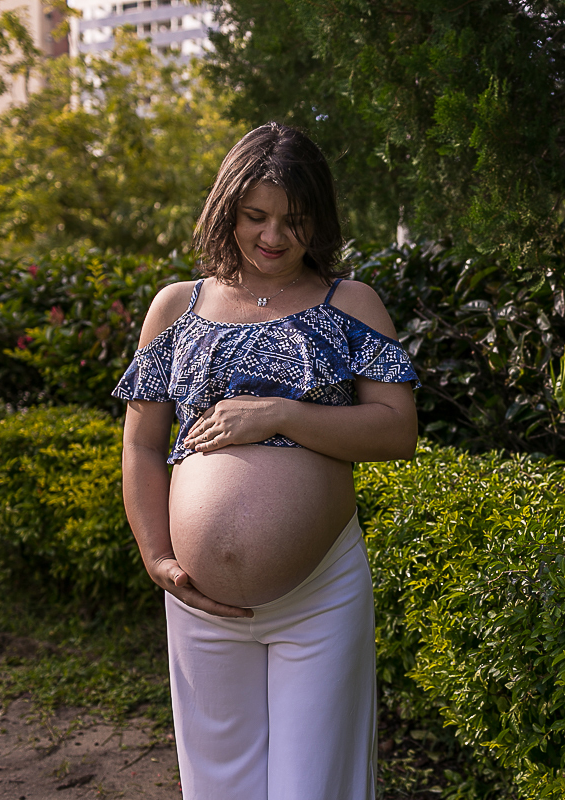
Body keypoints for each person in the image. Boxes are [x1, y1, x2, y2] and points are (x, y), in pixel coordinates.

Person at [113, 122, 418, 800]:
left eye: (294, 220)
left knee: (313, 789)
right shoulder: (176, 307)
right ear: (227, 209)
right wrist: (157, 556)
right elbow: (140, 444)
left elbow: (398, 432)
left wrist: (279, 414)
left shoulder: (352, 304)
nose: (273, 236)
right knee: (219, 787)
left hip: (320, 597)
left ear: (321, 221)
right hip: (199, 601)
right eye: (255, 216)